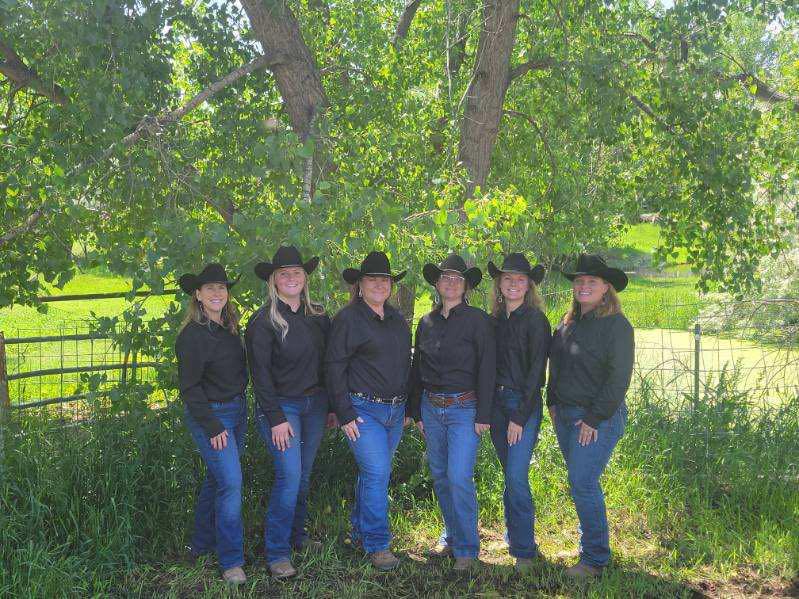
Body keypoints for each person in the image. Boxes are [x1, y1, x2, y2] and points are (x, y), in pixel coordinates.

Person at [245, 246, 331, 579]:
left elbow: (328, 364)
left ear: (305, 277)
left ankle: (298, 537)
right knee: (289, 476)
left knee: (303, 477)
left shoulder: (319, 316)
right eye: (284, 273)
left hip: (315, 405)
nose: (291, 278)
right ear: (274, 280)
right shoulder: (263, 321)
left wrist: (333, 407)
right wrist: (276, 418)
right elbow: (260, 376)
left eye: (297, 272)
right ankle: (277, 552)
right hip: (282, 408)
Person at [547, 254, 634, 579]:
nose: (584, 286)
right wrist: (552, 403)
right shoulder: (568, 323)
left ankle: (595, 559)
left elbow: (619, 378)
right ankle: (590, 547)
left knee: (583, 481)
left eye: (591, 282)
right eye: (579, 281)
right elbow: (556, 366)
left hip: (599, 418)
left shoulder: (617, 326)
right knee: (579, 482)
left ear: (605, 287)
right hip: (565, 415)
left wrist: (594, 419)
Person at [325, 251, 412, 571]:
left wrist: (409, 406)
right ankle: (378, 544)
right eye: (372, 279)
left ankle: (360, 532)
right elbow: (334, 367)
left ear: (391, 285)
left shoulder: (397, 319)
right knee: (377, 473)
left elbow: (407, 364)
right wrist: (344, 412)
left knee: (372, 474)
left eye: (384, 280)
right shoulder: (347, 319)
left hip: (395, 411)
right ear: (359, 285)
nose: (379, 285)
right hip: (363, 411)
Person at [409, 254, 496, 572]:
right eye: (445, 277)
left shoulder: (478, 321)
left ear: (466, 286)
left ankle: (468, 549)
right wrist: (415, 409)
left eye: (457, 278)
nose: (450, 282)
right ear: (436, 282)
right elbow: (417, 368)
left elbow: (488, 367)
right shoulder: (426, 322)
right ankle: (451, 536)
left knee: (459, 476)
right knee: (441, 477)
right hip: (432, 409)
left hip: (465, 408)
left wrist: (484, 413)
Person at [175, 263, 249, 585]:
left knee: (218, 480)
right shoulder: (192, 336)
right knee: (231, 483)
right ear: (198, 294)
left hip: (237, 410)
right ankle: (231, 560)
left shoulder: (230, 328)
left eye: (222, 287)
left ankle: (201, 543)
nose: (217, 293)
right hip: (212, 416)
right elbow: (190, 388)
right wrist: (213, 425)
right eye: (210, 288)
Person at [486, 253, 551, 571]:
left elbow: (536, 372)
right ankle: (513, 537)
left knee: (516, 475)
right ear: (499, 283)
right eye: (508, 278)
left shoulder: (536, 320)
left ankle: (525, 550)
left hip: (521, 406)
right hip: (496, 406)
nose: (513, 284)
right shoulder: (494, 321)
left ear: (529, 285)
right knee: (508, 474)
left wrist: (519, 417)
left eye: (520, 279)